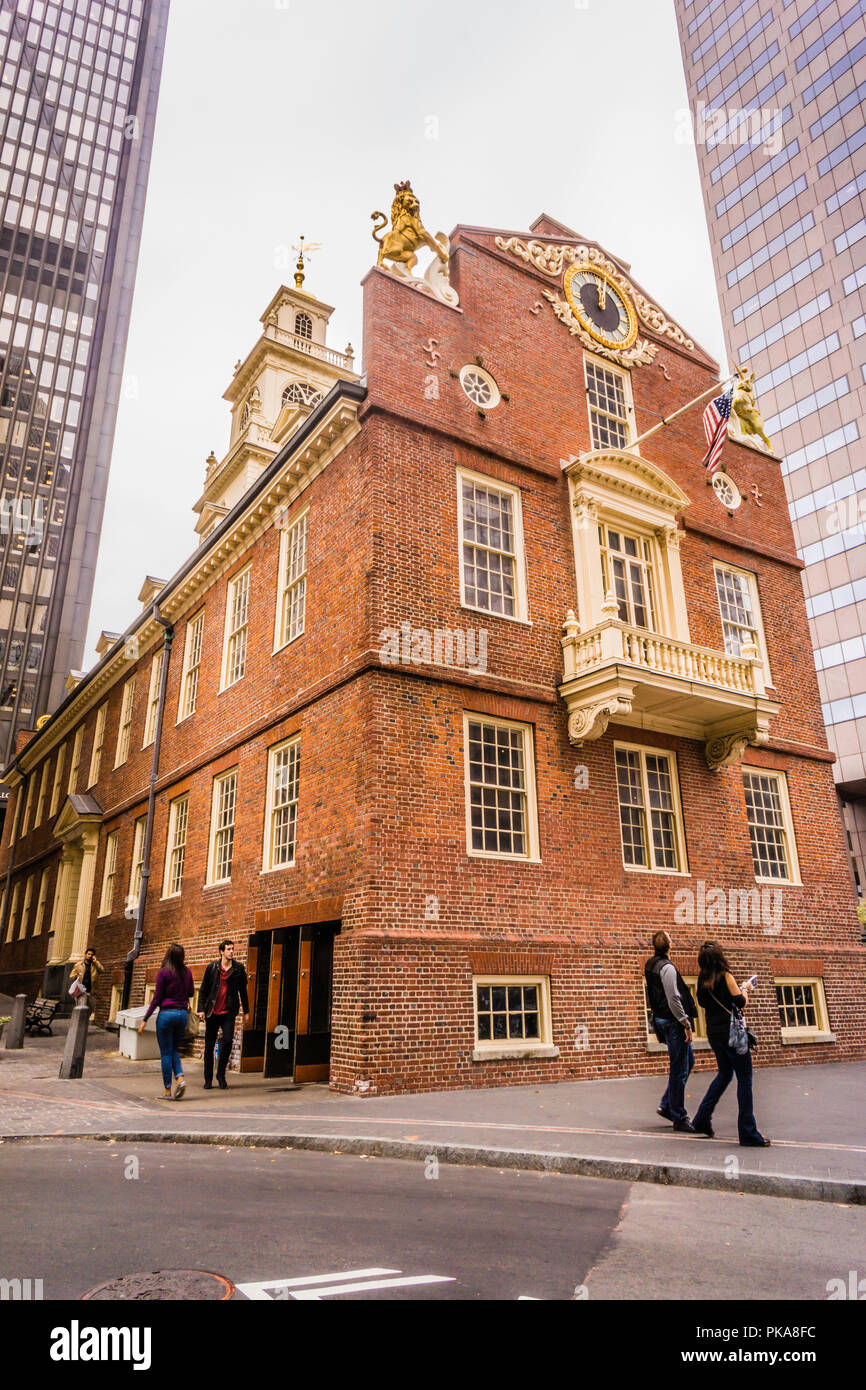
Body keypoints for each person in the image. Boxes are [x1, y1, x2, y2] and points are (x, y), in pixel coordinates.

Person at [692, 941, 770, 1147]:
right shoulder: (726, 976)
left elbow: (702, 1003)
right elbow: (741, 1002)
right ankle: (748, 1132)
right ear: (720, 957)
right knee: (744, 1079)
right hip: (733, 1032)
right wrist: (745, 988)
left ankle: (701, 1118)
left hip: (714, 1033)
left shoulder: (702, 980)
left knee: (724, 1074)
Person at [644, 930, 699, 1133]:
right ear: (670, 945)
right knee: (679, 1068)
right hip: (673, 1022)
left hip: (661, 1019)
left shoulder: (650, 964)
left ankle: (667, 1104)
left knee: (688, 1061)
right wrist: (685, 1023)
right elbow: (673, 998)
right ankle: (679, 1116)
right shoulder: (666, 968)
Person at [138, 943, 194, 1101]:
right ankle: (180, 1078)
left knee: (166, 1053)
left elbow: (156, 999)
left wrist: (145, 1019)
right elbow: (190, 992)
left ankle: (168, 1090)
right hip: (182, 1014)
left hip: (166, 1015)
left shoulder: (163, 973)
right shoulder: (187, 972)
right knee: (174, 1049)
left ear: (168, 955)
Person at [197, 940, 249, 1090]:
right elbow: (203, 990)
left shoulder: (238, 969)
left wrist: (246, 1011)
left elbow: (243, 992)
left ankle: (221, 1075)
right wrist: (201, 1009)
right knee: (209, 1046)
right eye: (228, 949)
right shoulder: (212, 967)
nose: (231, 952)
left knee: (227, 1042)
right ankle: (208, 1078)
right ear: (221, 951)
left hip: (228, 1012)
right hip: (212, 1012)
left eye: (233, 949)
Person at [69, 947, 103, 1017]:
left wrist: (95, 962)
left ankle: (83, 1025)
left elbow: (102, 970)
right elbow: (71, 975)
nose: (90, 956)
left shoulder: (96, 965)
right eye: (88, 954)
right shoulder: (78, 965)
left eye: (92, 954)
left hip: (92, 992)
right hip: (81, 992)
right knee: (81, 1011)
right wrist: (76, 975)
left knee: (90, 1010)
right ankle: (79, 1026)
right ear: (85, 955)